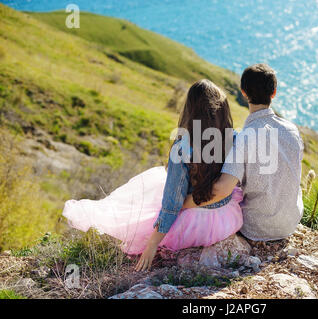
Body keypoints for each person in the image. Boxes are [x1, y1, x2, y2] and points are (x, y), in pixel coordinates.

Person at [62, 79, 243, 272]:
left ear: (191, 111)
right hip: (227, 218)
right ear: (222, 110)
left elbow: (172, 203)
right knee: (159, 183)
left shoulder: (182, 147)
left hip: (193, 227)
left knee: (155, 190)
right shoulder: (235, 138)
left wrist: (152, 244)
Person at [183, 64, 304, 242]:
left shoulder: (244, 138)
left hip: (257, 227)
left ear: (243, 93)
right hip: (291, 221)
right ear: (274, 93)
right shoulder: (292, 130)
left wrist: (182, 203)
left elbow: (222, 190)